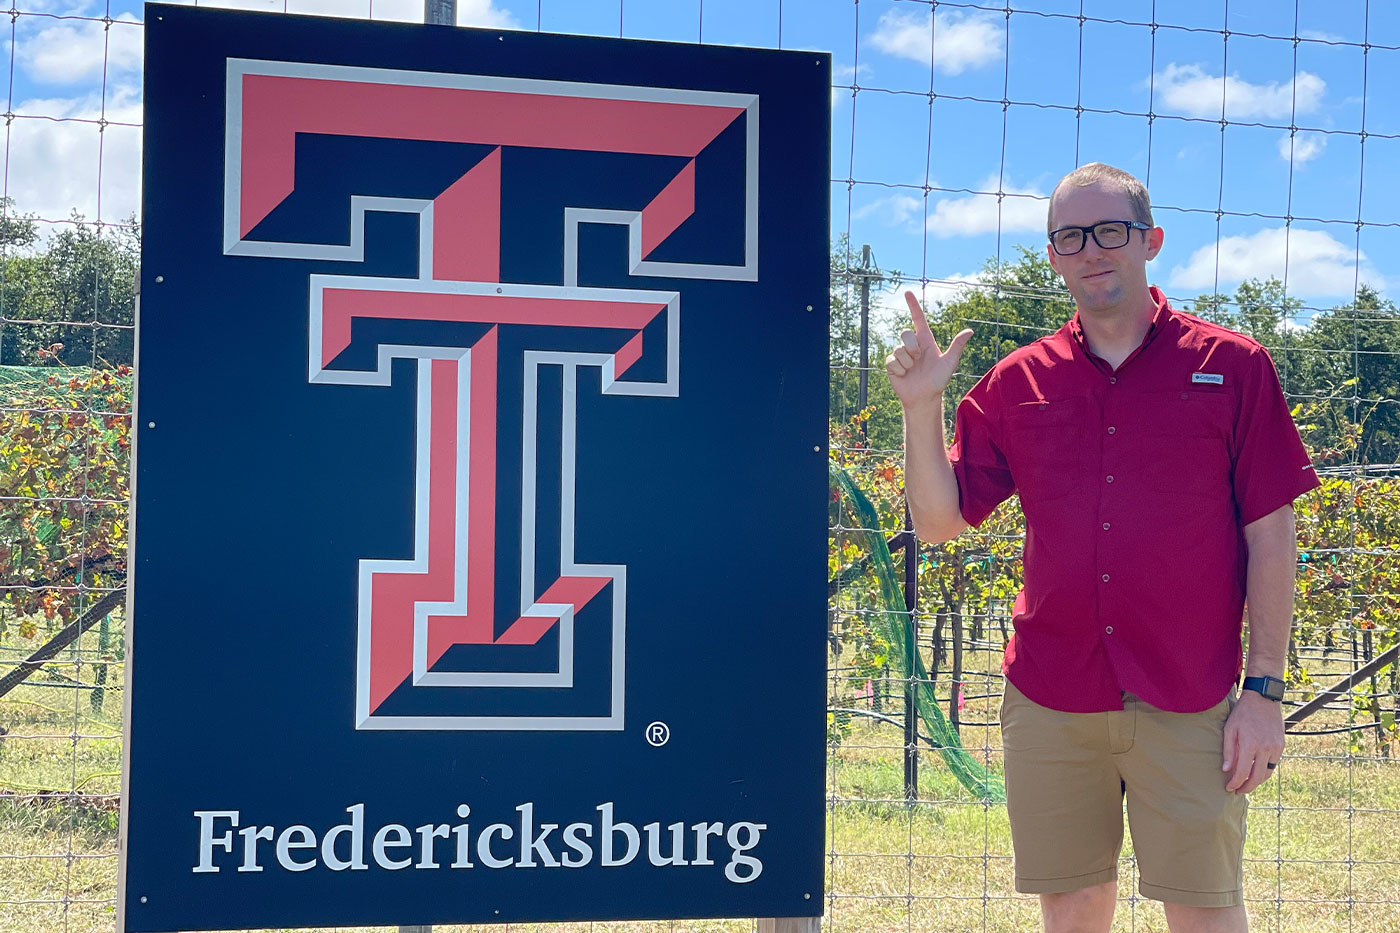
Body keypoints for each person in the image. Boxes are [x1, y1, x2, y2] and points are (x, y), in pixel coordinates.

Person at [885, 162, 1319, 933]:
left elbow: (1272, 534)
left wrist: (1265, 691)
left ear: (1150, 240)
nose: (1092, 250)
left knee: (1205, 907)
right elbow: (938, 522)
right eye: (1070, 236)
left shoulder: (1234, 365)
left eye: (1110, 231)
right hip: (1053, 692)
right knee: (1074, 907)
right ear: (1053, 255)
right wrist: (922, 410)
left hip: (1191, 693)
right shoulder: (1018, 383)